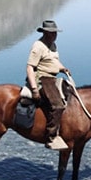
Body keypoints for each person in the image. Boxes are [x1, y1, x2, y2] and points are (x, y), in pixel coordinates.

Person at [26, 20, 70, 150]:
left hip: (52, 78)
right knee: (58, 105)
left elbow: (54, 61)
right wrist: (34, 88)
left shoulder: (53, 45)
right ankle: (51, 137)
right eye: (51, 33)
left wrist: (63, 69)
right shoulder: (38, 46)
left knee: (72, 95)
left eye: (55, 33)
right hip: (42, 80)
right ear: (45, 33)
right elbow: (29, 67)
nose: (54, 35)